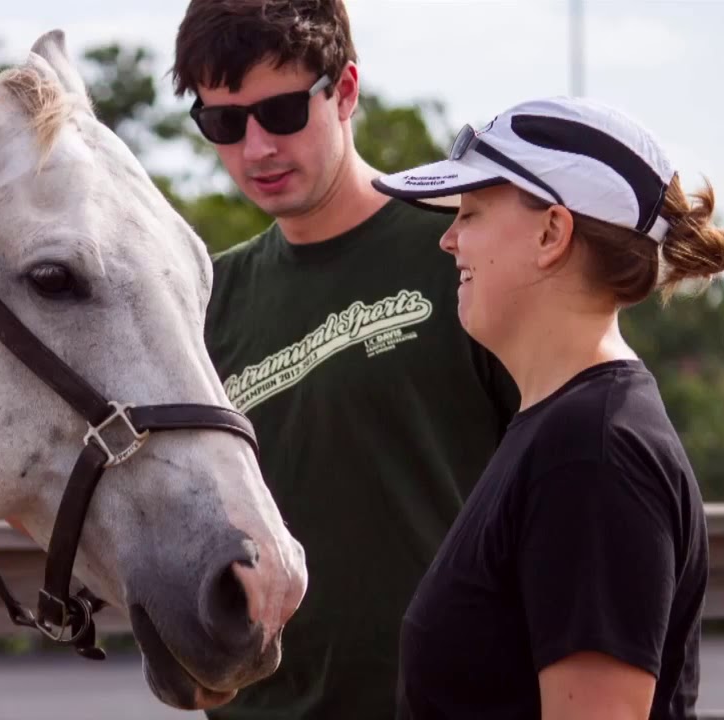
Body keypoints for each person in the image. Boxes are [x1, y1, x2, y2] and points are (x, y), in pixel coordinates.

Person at [169, 1, 520, 718]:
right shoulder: (204, 300)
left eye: (283, 112)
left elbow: (576, 482)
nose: (257, 148)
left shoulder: (462, 251)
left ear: (347, 90)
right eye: (224, 124)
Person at [372, 95, 724, 719]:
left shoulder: (593, 453)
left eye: (471, 212)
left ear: (552, 233)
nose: (448, 239)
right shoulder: (564, 431)